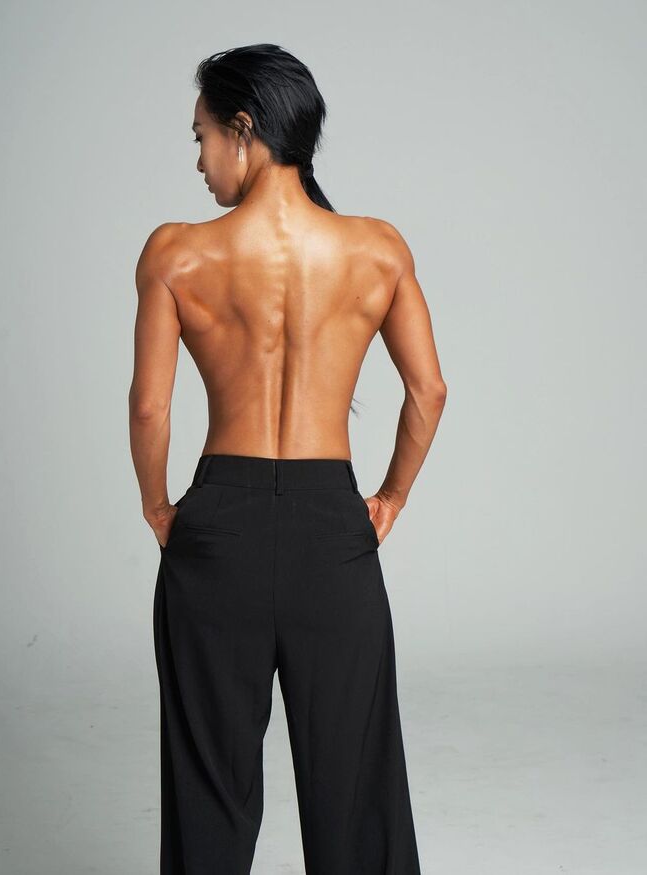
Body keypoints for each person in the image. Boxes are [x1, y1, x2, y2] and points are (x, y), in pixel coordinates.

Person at [129, 42, 447, 875]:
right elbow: (429, 391)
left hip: (216, 527)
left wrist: (158, 506)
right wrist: (389, 498)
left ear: (244, 130)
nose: (198, 160)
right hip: (331, 527)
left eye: (201, 136)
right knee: (355, 785)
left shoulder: (175, 253)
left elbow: (151, 407)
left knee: (208, 777)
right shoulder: (377, 249)